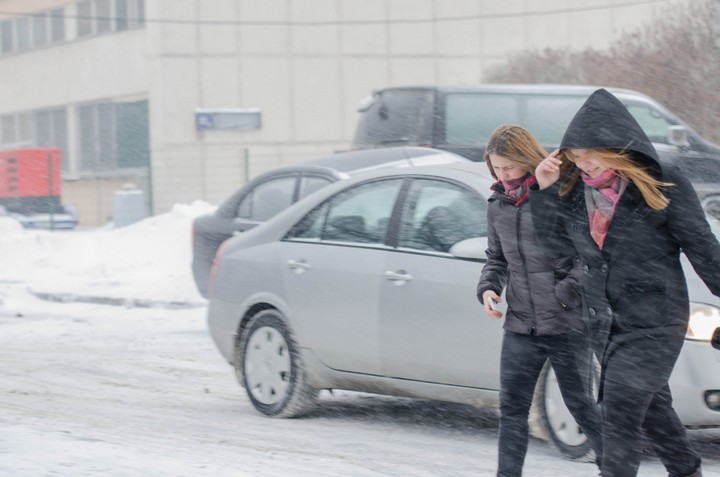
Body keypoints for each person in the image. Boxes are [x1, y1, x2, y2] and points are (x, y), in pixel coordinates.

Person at [531, 88, 720, 477]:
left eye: (591, 156)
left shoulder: (663, 183)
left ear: (618, 148)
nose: (584, 166)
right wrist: (545, 188)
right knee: (652, 411)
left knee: (618, 410)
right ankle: (687, 470)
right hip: (604, 322)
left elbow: (703, 249)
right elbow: (556, 250)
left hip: (656, 320)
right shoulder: (571, 190)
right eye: (576, 159)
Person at [476, 124, 603, 477]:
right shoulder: (498, 204)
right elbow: (496, 258)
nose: (503, 175)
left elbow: (587, 255)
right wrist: (489, 288)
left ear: (525, 159)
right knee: (511, 409)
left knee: (581, 405)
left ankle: (616, 467)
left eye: (509, 167)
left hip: (566, 324)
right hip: (520, 324)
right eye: (495, 168)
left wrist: (566, 294)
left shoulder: (560, 191)